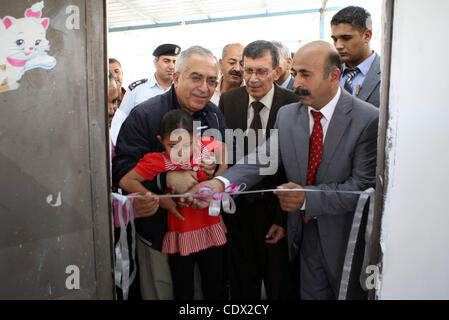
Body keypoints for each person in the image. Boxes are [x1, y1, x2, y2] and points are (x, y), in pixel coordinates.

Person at [191, 41, 379, 300]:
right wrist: (221, 183)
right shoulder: (290, 115)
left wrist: (306, 197)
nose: (297, 82)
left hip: (343, 241)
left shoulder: (367, 119)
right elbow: (262, 158)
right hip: (301, 239)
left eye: (305, 74)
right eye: (296, 73)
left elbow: (361, 188)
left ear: (334, 76)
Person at [112, 45, 228, 300]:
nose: (204, 87)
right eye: (196, 77)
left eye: (211, 80)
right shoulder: (145, 114)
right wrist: (165, 179)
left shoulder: (214, 113)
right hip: (161, 235)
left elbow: (224, 153)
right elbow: (121, 171)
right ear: (176, 77)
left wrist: (213, 173)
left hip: (206, 230)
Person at [218, 40, 299, 300]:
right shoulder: (229, 101)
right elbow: (226, 155)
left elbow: (294, 167)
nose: (253, 79)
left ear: (277, 72)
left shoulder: (293, 104)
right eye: (248, 70)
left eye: (261, 71)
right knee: (242, 285)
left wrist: (281, 219)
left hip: (275, 211)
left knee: (279, 285)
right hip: (237, 213)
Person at [110, 44, 181, 145]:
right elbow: (120, 121)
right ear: (155, 62)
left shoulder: (182, 89)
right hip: (144, 146)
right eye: (166, 61)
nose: (171, 66)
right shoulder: (137, 89)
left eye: (175, 61)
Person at [331, 6, 381, 107]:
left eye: (346, 38)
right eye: (335, 39)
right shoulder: (329, 72)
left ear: (367, 36)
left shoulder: (390, 74)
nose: (338, 46)